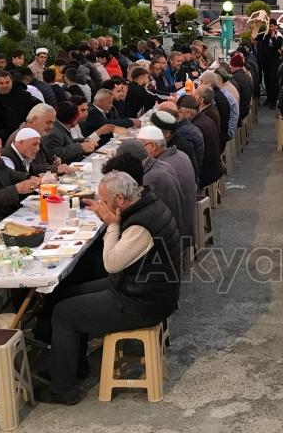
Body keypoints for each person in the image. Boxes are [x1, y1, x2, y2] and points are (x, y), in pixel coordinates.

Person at [40, 171, 181, 405]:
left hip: (143, 302)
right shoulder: (147, 204)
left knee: (64, 313)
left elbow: (111, 264)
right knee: (66, 294)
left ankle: (63, 390)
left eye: (104, 201)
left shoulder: (141, 226)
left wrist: (112, 225)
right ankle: (70, 367)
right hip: (142, 286)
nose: (101, 205)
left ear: (119, 199)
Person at [137, 125, 196, 249]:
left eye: (140, 146)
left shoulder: (159, 171)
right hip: (186, 218)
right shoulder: (179, 154)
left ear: (152, 146)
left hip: (175, 234)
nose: (138, 152)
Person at [178, 95, 222, 188]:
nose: (178, 116)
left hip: (207, 173)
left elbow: (196, 162)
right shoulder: (205, 118)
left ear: (189, 112)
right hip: (215, 167)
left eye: (179, 112)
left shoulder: (194, 128)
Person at [0, 70, 40, 142]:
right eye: (1, 83)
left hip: (20, 135)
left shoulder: (22, 95)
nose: (4, 85)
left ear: (12, 82)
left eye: (7, 82)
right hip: (0, 136)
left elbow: (39, 107)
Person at [256, 19, 283, 108]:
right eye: (269, 26)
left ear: (276, 26)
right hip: (265, 63)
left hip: (274, 63)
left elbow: (278, 46)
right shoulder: (265, 35)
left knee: (273, 81)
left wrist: (273, 37)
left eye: (272, 26)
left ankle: (273, 101)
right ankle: (269, 98)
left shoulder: (278, 35)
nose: (270, 28)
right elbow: (256, 38)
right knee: (267, 81)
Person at [229, 53, 253, 122]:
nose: (230, 67)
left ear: (235, 66)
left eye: (231, 65)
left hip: (240, 112)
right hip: (246, 108)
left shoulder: (235, 78)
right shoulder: (247, 76)